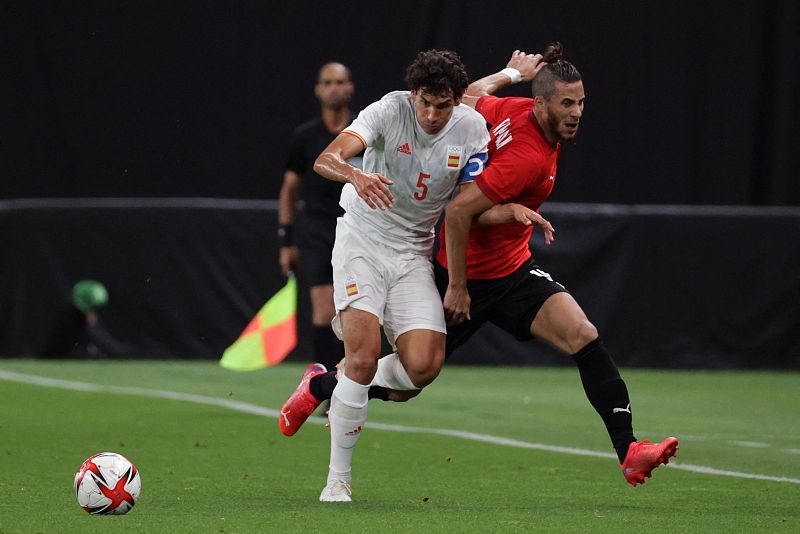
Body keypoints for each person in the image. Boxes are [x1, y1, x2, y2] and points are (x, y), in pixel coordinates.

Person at [282, 44, 679, 489]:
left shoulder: (498, 113)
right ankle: (323, 391)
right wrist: (459, 282)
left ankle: (629, 450)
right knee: (407, 380)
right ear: (541, 103)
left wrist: (509, 74)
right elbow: (459, 212)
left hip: (510, 270)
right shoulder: (522, 156)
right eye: (567, 103)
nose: (576, 113)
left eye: (581, 102)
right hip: (459, 275)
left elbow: (469, 96)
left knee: (582, 334)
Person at [282, 49, 493, 502]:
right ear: (414, 94)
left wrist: (513, 211)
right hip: (362, 240)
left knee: (423, 369)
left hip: (414, 252)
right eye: (425, 103)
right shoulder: (388, 110)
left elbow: (470, 203)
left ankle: (323, 382)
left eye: (443, 105)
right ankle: (337, 480)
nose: (432, 115)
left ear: (458, 100)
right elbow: (326, 159)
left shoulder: (474, 128)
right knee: (363, 358)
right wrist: (355, 176)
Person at [277, 62, 357, 370]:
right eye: (327, 82)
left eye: (339, 81)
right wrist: (286, 240)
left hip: (360, 229)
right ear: (317, 90)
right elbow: (289, 189)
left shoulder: (362, 132)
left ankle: (355, 378)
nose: (333, 88)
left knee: (358, 309)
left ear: (350, 87)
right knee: (324, 310)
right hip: (319, 230)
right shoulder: (305, 137)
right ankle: (327, 383)